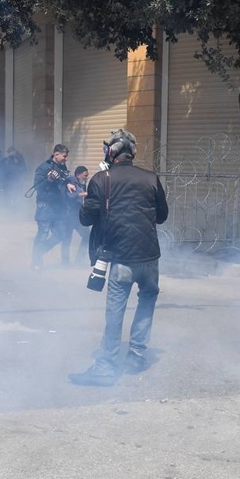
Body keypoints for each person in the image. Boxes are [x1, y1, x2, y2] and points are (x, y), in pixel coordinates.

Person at [69, 130, 168, 386]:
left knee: (115, 312)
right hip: (149, 257)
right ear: (132, 153)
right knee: (146, 300)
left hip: (121, 257)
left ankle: (105, 366)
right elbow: (161, 216)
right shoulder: (151, 178)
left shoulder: (102, 179)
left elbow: (86, 218)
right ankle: (136, 356)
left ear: (111, 152)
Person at [30, 144, 71, 270]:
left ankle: (39, 251)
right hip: (45, 207)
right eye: (64, 156)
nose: (66, 159)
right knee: (43, 233)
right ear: (56, 154)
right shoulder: (43, 168)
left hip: (58, 207)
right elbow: (37, 187)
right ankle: (36, 262)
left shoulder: (62, 167)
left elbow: (64, 181)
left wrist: (68, 184)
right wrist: (49, 180)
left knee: (60, 234)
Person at [67, 165, 91, 264]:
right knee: (66, 239)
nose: (87, 178)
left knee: (87, 236)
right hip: (69, 216)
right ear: (78, 175)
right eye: (85, 175)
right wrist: (87, 194)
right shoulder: (71, 182)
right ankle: (65, 262)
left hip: (77, 215)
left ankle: (79, 260)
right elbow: (71, 196)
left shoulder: (82, 184)